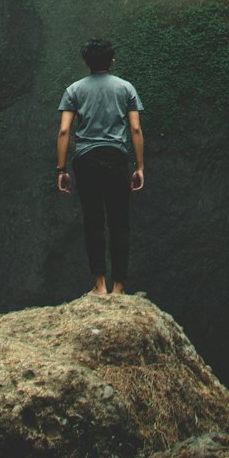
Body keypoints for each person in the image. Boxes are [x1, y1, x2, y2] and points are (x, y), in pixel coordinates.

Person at [56, 38, 144, 296]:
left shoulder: (74, 90)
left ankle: (99, 286)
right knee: (119, 221)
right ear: (112, 60)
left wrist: (61, 170)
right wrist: (139, 166)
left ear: (87, 62)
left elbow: (64, 131)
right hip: (116, 157)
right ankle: (119, 288)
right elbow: (136, 128)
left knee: (93, 220)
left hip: (86, 160)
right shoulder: (126, 88)